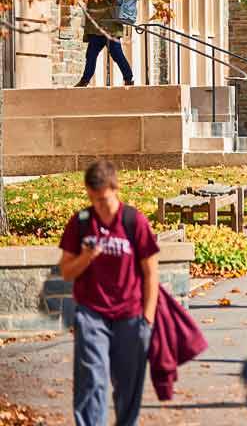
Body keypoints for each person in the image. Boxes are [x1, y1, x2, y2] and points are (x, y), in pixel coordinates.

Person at [58, 160, 160, 426]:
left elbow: (151, 272)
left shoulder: (133, 221)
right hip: (92, 314)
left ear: (116, 189)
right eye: (93, 200)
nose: (99, 206)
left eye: (103, 199)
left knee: (128, 385)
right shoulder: (81, 222)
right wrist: (87, 257)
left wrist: (147, 319)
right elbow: (67, 272)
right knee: (92, 379)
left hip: (130, 315)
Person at [76, 0, 135, 87]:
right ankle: (85, 80)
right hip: (96, 28)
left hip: (110, 28)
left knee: (117, 55)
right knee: (91, 55)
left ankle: (128, 78)